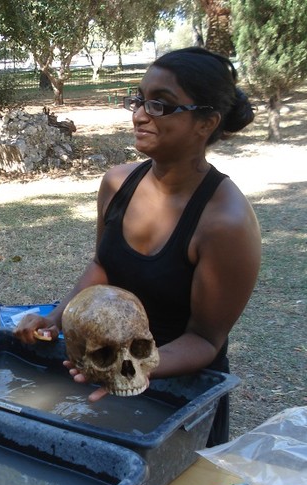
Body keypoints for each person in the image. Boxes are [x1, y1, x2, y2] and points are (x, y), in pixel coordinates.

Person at [14, 47, 261, 447]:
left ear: (206, 122)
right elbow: (104, 267)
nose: (140, 114)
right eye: (140, 99)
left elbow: (204, 340)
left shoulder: (225, 222)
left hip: (180, 397)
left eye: (161, 104)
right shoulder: (117, 184)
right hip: (108, 370)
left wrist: (132, 368)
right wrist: (55, 319)